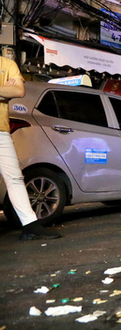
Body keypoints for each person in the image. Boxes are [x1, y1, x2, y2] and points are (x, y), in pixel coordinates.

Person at [0, 57, 60, 240]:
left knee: (15, 178)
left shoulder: (6, 64)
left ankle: (30, 225)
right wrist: (5, 92)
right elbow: (11, 91)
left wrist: (11, 91)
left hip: (1, 130)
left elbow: (19, 90)